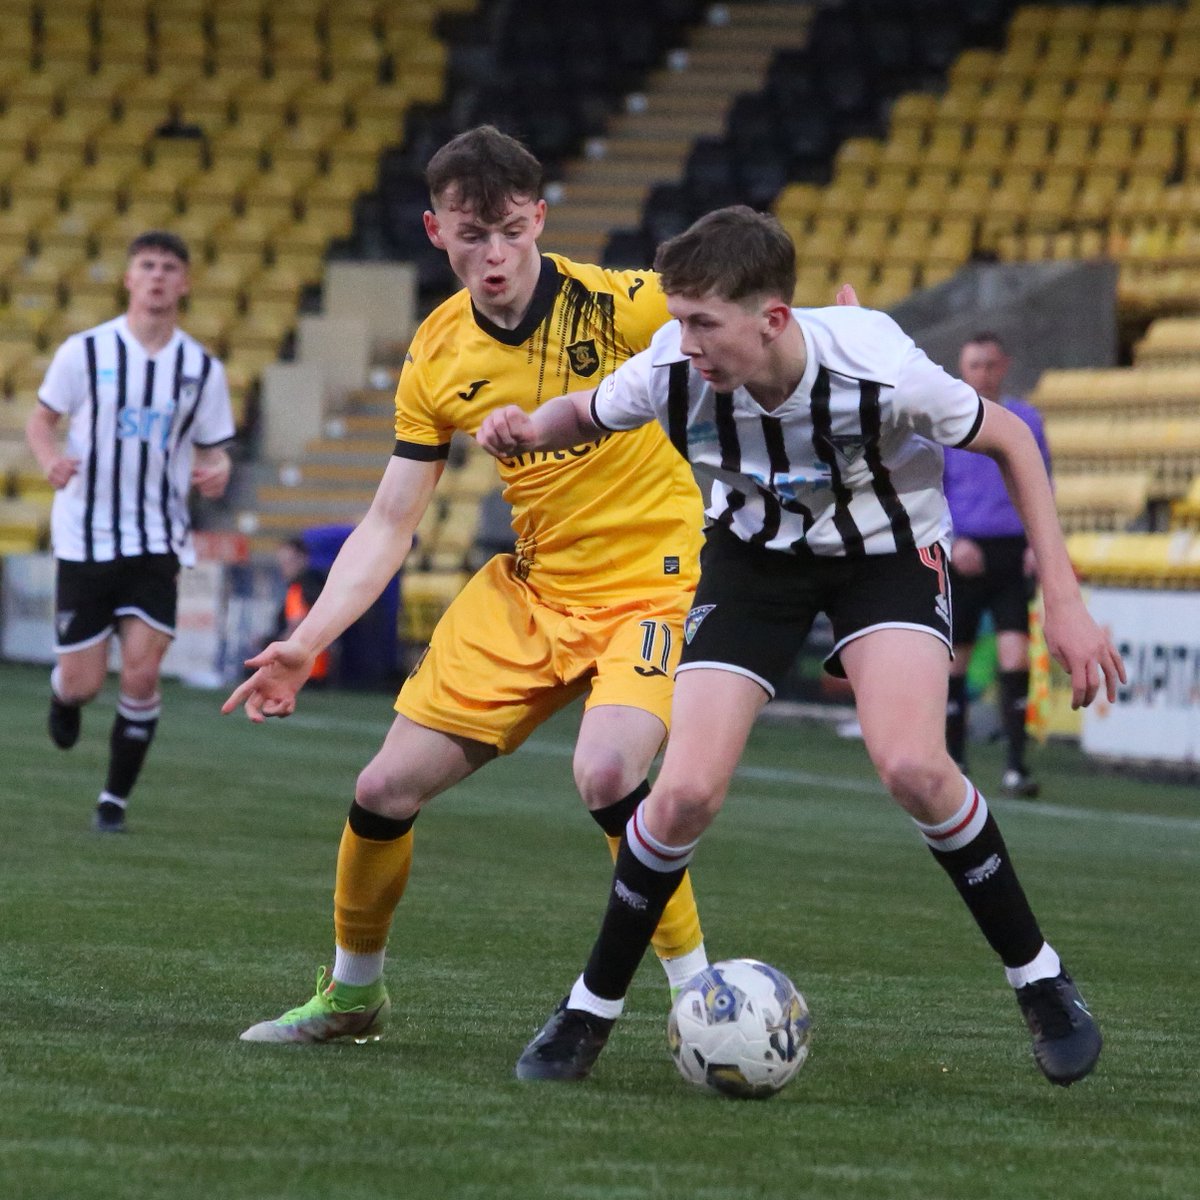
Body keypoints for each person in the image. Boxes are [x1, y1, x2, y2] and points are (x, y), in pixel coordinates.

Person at [477, 206, 1125, 1088]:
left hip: (886, 557)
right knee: (683, 796)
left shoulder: (882, 372)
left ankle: (1042, 983)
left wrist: (1065, 600)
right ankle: (589, 1008)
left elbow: (1010, 438)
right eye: (679, 318)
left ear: (773, 319)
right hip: (754, 561)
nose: (685, 339)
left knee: (915, 770)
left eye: (704, 321)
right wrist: (522, 426)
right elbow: (586, 412)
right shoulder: (675, 367)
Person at [224, 125, 710, 1044]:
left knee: (606, 770)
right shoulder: (438, 353)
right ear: (434, 230)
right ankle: (353, 995)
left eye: (509, 233)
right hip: (531, 593)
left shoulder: (618, 307)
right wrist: (307, 641)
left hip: (649, 585)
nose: (492, 257)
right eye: (469, 235)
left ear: (538, 219)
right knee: (382, 790)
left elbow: (737, 312)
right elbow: (390, 522)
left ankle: (699, 993)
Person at [25, 230, 235, 833]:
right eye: (147, 265)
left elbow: (217, 448)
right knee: (84, 682)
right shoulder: (83, 352)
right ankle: (64, 694)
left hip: (156, 539)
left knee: (142, 671)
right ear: (128, 278)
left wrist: (216, 471)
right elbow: (42, 423)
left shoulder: (200, 368)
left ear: (185, 282)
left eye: (170, 267)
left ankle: (113, 800)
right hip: (85, 539)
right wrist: (48, 462)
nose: (158, 276)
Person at [943, 333, 1052, 798]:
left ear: (1003, 365)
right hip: (963, 551)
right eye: (974, 365)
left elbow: (1041, 483)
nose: (983, 372)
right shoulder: (944, 421)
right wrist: (950, 540)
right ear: (962, 369)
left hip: (1009, 550)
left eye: (989, 364)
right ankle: (955, 763)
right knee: (955, 661)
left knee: (1014, 656)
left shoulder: (1025, 419)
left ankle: (1015, 766)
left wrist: (1037, 543)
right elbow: (928, 487)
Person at [270, 537, 330, 685]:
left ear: (303, 559)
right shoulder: (302, 586)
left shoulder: (303, 587)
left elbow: (296, 625)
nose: (284, 568)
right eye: (282, 563)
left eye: (289, 562)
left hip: (307, 670)